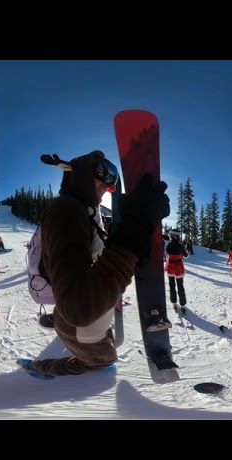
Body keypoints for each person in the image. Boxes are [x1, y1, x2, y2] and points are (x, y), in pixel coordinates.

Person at [16, 150, 170, 379]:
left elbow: (86, 264)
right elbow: (78, 309)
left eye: (114, 179)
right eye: (104, 171)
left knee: (99, 333)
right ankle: (42, 368)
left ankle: (57, 322)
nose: (111, 185)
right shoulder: (67, 210)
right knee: (102, 360)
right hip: (79, 324)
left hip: (78, 306)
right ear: (80, 174)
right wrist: (131, 237)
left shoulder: (86, 210)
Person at [166, 228, 189, 316]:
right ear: (177, 236)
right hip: (178, 267)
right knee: (180, 286)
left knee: (171, 285)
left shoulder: (168, 246)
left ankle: (174, 303)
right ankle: (182, 304)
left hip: (170, 267)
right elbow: (186, 255)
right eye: (179, 235)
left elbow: (169, 253)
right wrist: (185, 249)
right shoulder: (180, 246)